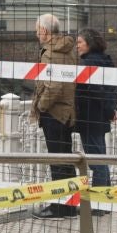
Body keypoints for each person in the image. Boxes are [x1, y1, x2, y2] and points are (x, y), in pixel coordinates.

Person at [32, 13, 79, 220]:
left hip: (54, 113)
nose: (36, 34)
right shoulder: (69, 49)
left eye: (37, 30)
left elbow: (54, 86)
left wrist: (41, 106)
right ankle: (70, 206)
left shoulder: (50, 53)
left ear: (44, 31)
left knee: (57, 161)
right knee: (67, 159)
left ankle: (58, 207)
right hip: (68, 111)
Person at [73, 28, 117, 212]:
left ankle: (100, 204)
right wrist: (112, 109)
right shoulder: (106, 61)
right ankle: (105, 202)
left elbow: (97, 91)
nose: (77, 46)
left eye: (79, 42)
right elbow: (111, 89)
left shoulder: (89, 63)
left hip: (90, 118)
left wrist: (109, 109)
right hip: (100, 117)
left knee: (96, 161)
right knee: (100, 158)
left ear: (89, 43)